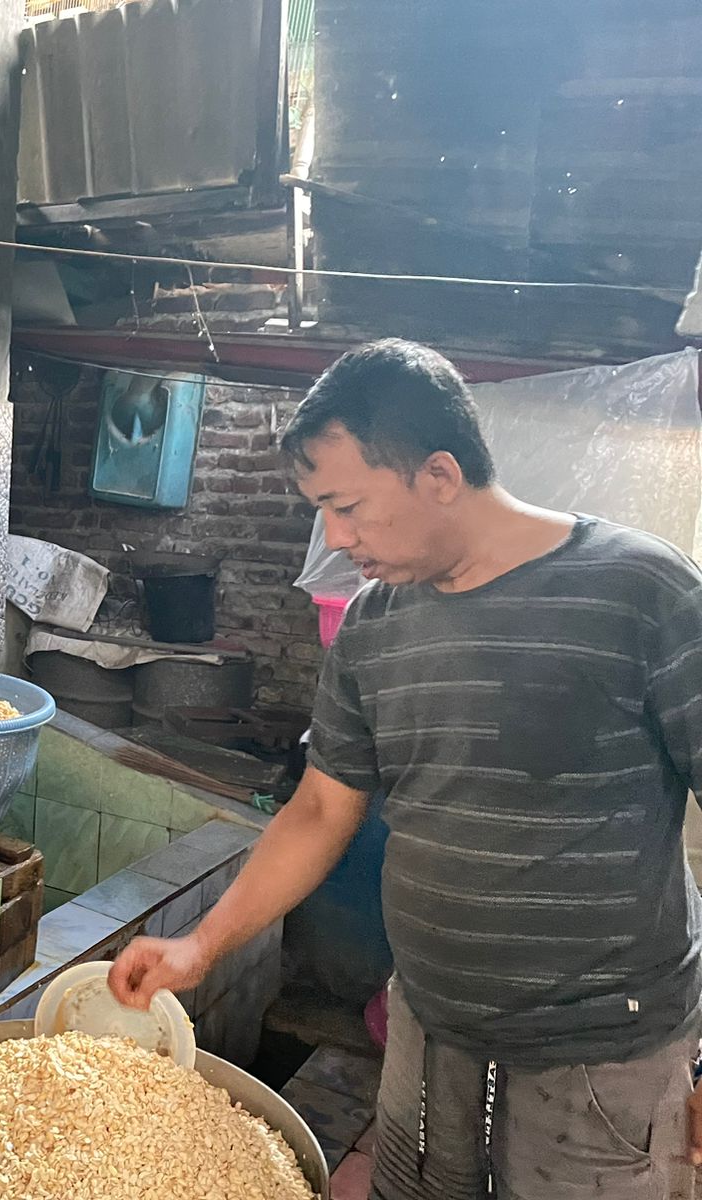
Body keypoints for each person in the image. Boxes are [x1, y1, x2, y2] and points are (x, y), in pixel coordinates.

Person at [108, 339, 702, 1199]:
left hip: (601, 1057)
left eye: (348, 508)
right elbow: (319, 811)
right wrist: (202, 945)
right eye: (323, 513)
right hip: (429, 1032)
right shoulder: (375, 627)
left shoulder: (642, 593)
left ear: (439, 474)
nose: (337, 540)